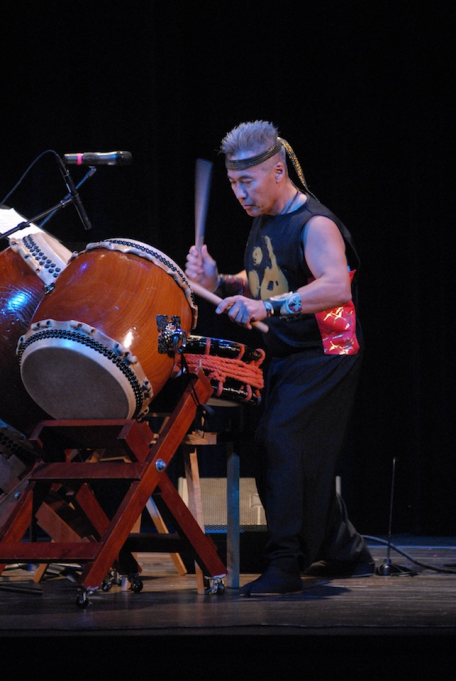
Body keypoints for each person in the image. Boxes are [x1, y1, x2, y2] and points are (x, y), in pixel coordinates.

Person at [185, 120, 374, 596]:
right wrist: (222, 282)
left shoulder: (315, 223)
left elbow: (335, 285)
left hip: (327, 351)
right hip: (287, 354)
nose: (239, 193)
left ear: (276, 169)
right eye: (232, 183)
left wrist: (264, 308)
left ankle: (285, 565)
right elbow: (273, 277)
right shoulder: (266, 219)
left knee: (281, 440)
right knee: (280, 447)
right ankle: (347, 551)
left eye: (246, 181)